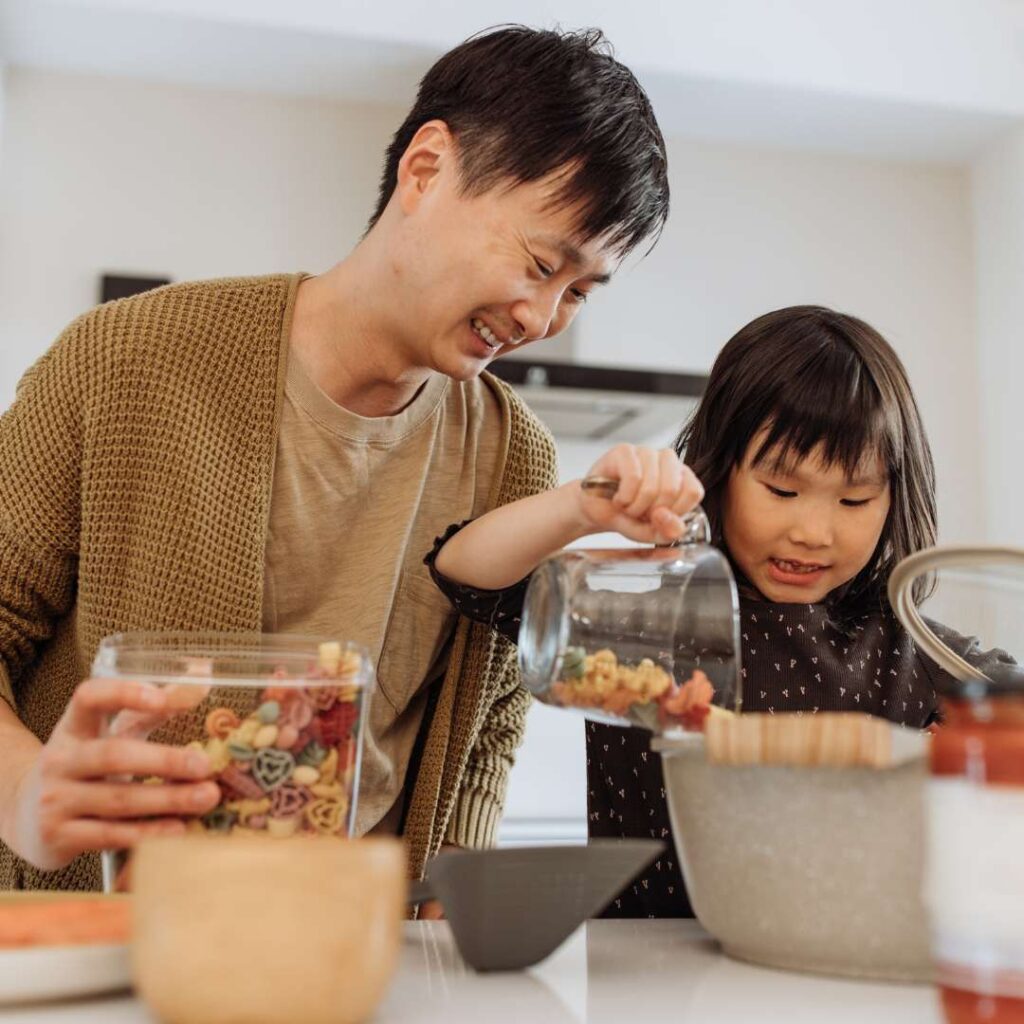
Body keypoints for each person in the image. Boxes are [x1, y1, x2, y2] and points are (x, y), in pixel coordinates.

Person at [0, 25, 670, 891]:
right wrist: (26, 796)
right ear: (426, 169)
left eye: (578, 291)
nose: (542, 318)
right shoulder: (125, 361)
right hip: (103, 939)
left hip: (355, 950)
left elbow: (489, 719)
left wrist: (440, 909)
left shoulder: (515, 457)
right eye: (542, 262)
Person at [428, 304, 1015, 917]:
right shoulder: (641, 628)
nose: (813, 531)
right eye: (781, 491)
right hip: (655, 981)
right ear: (721, 468)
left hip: (846, 973)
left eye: (854, 498)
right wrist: (585, 504)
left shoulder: (917, 657)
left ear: (895, 498)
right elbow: (466, 574)